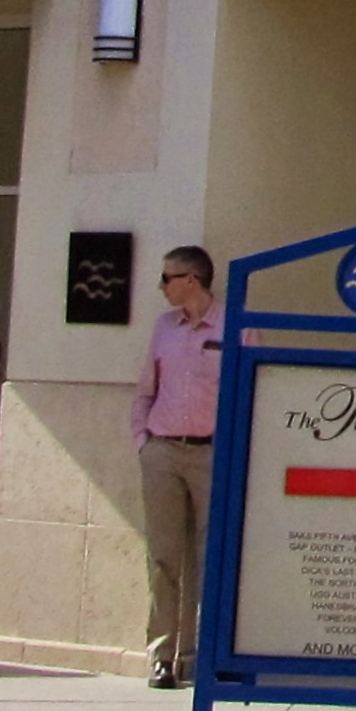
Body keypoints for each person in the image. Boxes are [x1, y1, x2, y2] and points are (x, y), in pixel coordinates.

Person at [133, 246, 223, 687]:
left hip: (212, 453)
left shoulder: (235, 326)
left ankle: (206, 655)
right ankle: (162, 656)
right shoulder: (163, 329)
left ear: (192, 279)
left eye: (167, 277)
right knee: (164, 555)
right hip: (163, 450)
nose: (161, 286)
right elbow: (146, 388)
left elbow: (252, 394)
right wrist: (142, 442)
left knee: (214, 557)